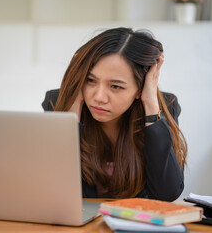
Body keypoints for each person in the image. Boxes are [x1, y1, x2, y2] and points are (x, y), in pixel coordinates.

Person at [41, 27, 187, 201]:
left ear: (140, 88)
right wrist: (72, 111)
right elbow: (55, 190)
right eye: (90, 80)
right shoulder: (57, 103)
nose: (99, 97)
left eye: (116, 86)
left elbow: (166, 194)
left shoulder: (162, 107)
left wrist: (150, 105)